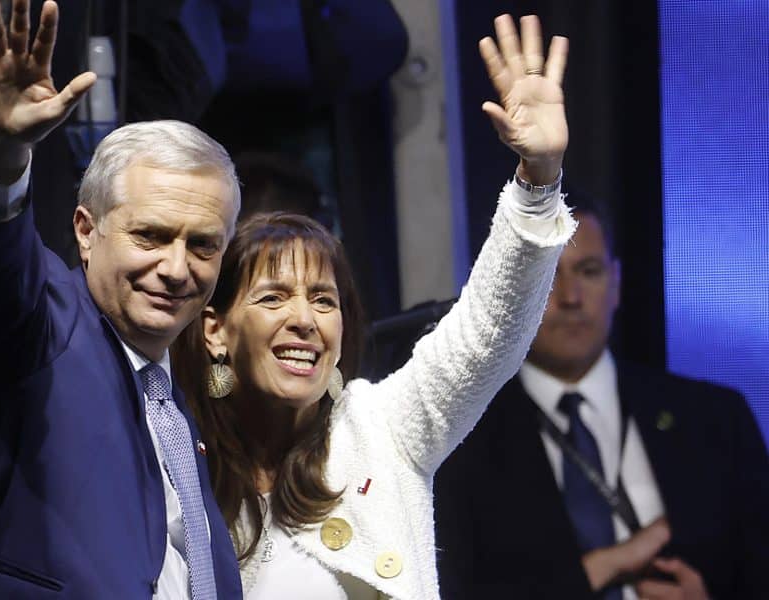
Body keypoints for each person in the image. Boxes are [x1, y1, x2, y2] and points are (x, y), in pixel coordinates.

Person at [171, 14, 576, 599]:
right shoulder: (174, 460)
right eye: (273, 297)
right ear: (215, 329)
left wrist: (538, 181)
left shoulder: (382, 430)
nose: (304, 320)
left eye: (323, 299)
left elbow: (488, 331)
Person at [0, 1, 243, 598]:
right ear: (86, 232)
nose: (176, 269)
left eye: (202, 245)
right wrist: (2, 157)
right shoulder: (40, 327)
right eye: (150, 236)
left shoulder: (172, 396)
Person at [433, 197, 769, 599]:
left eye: (588, 271)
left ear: (616, 283)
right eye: (545, 275)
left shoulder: (716, 420)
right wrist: (601, 568)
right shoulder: (462, 440)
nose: (571, 297)